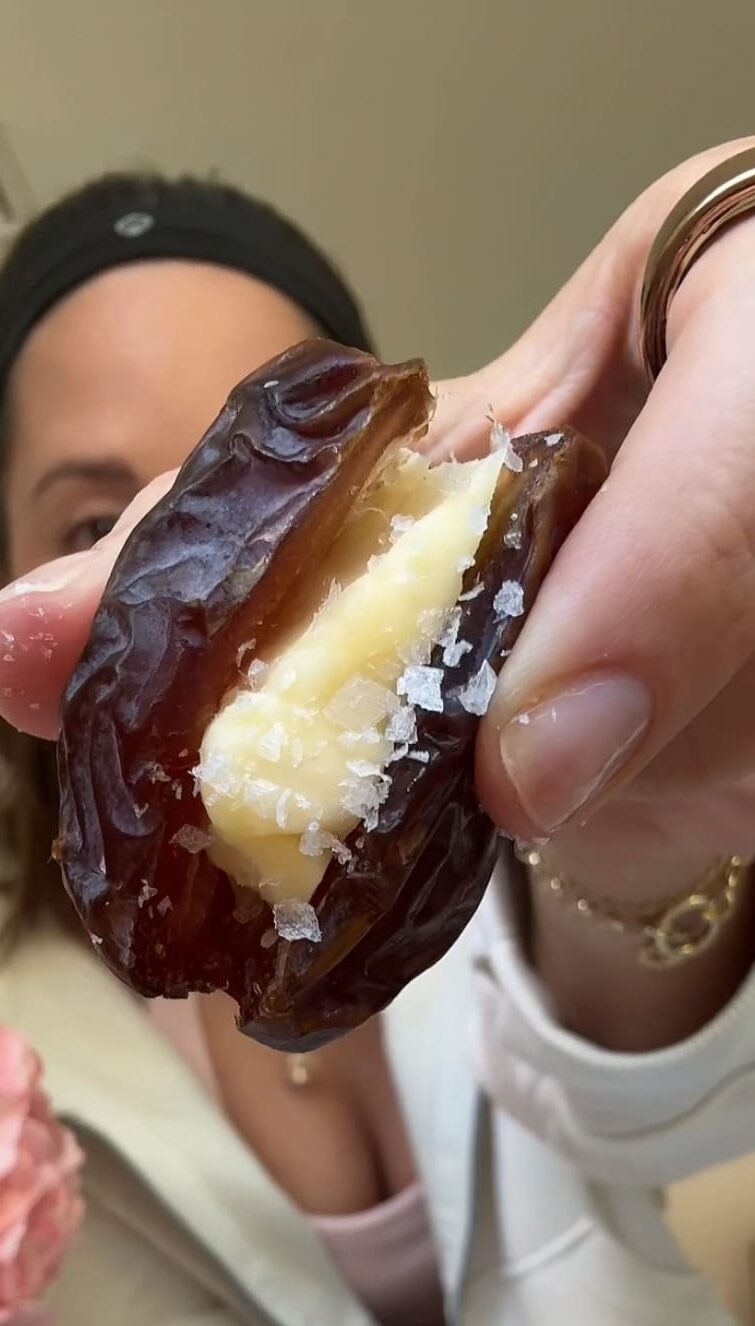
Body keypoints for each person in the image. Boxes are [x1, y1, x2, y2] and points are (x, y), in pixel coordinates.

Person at [0, 137, 753, 1325]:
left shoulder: (508, 782)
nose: (208, 570)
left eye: (233, 479)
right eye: (98, 515)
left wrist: (647, 841)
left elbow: (662, 1106)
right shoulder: (19, 1035)